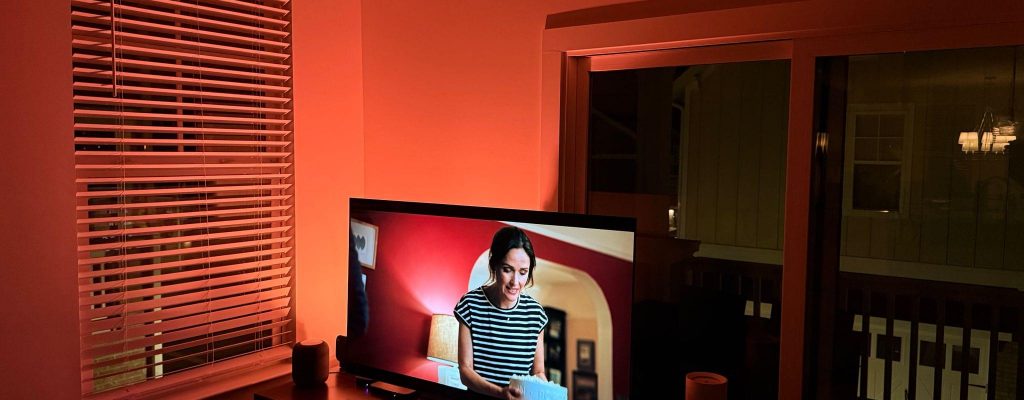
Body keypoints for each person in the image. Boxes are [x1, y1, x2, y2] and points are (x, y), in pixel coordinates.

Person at [454, 227, 548, 399]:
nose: (515, 282)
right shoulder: (470, 305)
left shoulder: (536, 314)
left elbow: (538, 372)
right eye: (507, 269)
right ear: (494, 265)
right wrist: (499, 393)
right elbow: (465, 370)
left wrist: (547, 393)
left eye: (523, 272)